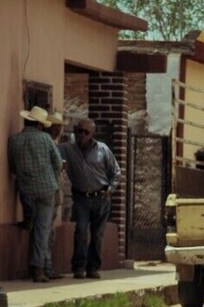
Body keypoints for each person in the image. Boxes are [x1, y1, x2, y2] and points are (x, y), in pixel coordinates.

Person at [59, 118, 121, 279]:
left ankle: (93, 268)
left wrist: (110, 189)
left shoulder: (102, 149)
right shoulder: (67, 149)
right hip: (81, 197)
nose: (82, 135)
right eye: (79, 131)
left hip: (101, 197)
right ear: (75, 131)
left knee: (97, 234)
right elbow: (53, 156)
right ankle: (78, 267)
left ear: (92, 134)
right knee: (80, 231)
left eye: (86, 132)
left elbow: (116, 172)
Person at [8, 106, 62, 283]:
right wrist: (53, 181)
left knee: (33, 219)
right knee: (42, 229)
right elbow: (57, 163)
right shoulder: (46, 139)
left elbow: (13, 166)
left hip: (25, 189)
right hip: (46, 190)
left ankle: (28, 218)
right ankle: (38, 268)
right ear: (40, 125)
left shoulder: (14, 140)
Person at [39, 110, 68, 280]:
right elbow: (56, 166)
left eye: (60, 127)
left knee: (47, 231)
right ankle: (45, 266)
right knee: (46, 231)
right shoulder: (48, 143)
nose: (59, 130)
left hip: (53, 191)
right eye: (56, 127)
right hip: (50, 190)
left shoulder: (52, 143)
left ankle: (47, 265)